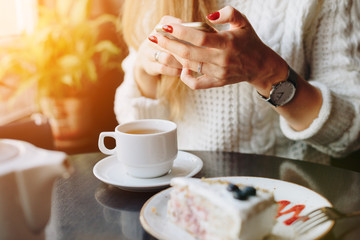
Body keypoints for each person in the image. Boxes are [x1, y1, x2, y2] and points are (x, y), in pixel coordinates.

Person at [114, 0, 360, 164]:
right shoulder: (152, 4)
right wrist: (145, 71)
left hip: (285, 200)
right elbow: (133, 124)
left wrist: (266, 71)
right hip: (183, 194)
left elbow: (348, 134)